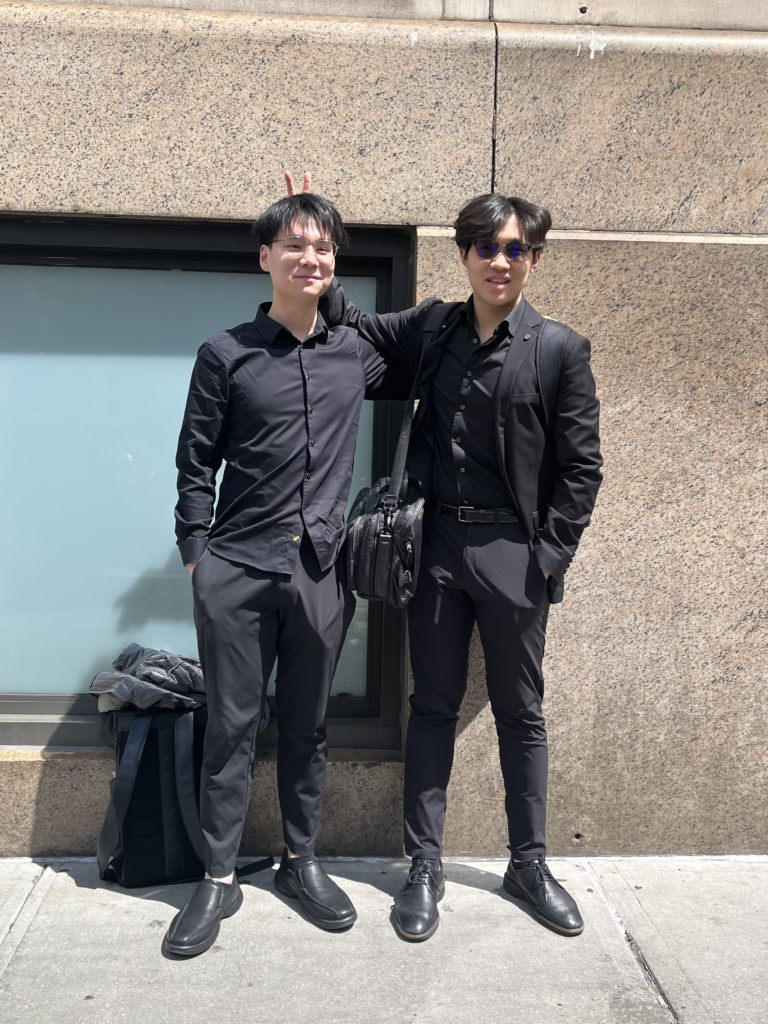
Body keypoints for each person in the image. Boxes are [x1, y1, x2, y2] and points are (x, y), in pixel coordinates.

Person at [320, 192, 603, 940]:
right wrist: (317, 245)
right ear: (465, 255)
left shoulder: (558, 350)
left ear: (533, 258)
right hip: (437, 547)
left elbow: (582, 470)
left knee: (522, 714)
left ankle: (530, 863)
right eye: (487, 247)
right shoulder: (434, 325)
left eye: (515, 249)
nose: (500, 261)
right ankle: (424, 865)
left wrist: (547, 558)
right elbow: (352, 324)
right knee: (433, 708)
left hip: (516, 554)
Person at [163, 183, 407, 956]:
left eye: (324, 247)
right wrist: (198, 557)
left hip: (319, 571)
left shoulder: (354, 358)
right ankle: (220, 878)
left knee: (308, 726)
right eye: (296, 245)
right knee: (232, 727)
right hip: (235, 568)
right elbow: (194, 463)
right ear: (265, 257)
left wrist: (347, 313)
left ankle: (301, 862)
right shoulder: (225, 354)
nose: (311, 257)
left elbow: (427, 346)